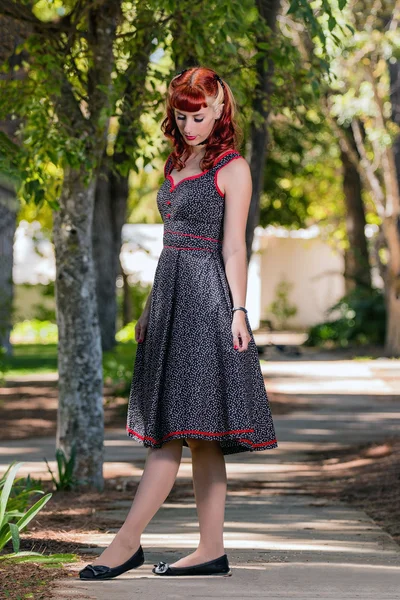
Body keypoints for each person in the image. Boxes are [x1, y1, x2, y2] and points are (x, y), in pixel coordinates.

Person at [79, 66, 277, 581]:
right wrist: (148, 308)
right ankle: (211, 550)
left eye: (198, 115)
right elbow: (170, 248)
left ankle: (125, 545)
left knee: (173, 434)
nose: (189, 125)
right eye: (182, 116)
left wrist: (238, 311)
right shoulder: (178, 159)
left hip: (207, 303)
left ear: (219, 111)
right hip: (169, 301)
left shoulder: (233, 168)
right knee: (200, 437)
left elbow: (234, 247)